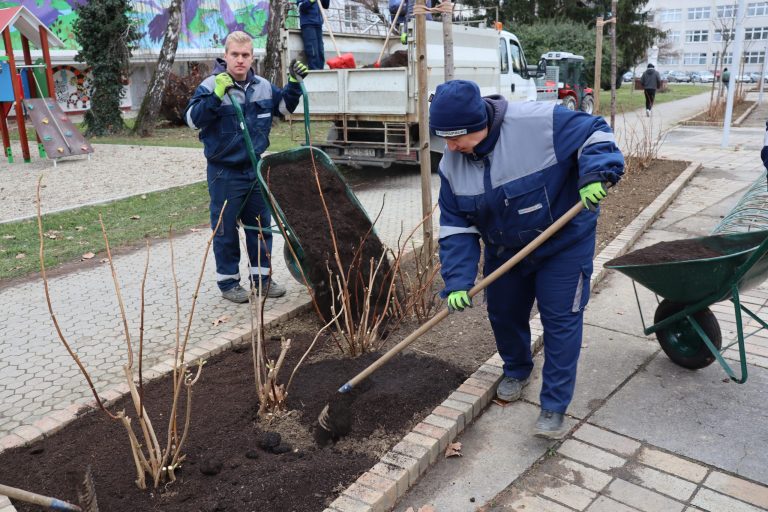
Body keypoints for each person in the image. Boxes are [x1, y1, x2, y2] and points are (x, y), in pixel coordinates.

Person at [429, 80, 624, 439]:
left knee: (560, 321)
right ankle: (517, 369)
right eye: (444, 138)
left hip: (562, 243)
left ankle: (553, 405)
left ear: (480, 125)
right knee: (503, 313)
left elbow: (595, 132)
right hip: (506, 251)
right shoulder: (452, 165)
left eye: (456, 138)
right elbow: (456, 227)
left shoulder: (538, 122)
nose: (449, 147)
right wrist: (457, 280)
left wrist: (596, 172)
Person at [185, 31, 309, 303]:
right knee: (226, 228)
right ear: (225, 55)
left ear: (253, 57)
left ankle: (262, 280)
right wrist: (216, 96)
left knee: (260, 227)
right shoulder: (210, 85)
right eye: (235, 55)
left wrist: (293, 84)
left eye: (245, 55)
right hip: (224, 172)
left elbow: (285, 109)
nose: (240, 60)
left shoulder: (263, 86)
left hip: (255, 170)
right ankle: (229, 283)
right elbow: (193, 121)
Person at [297, 0, 331, 70]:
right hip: (308, 24)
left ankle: (321, 71)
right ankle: (314, 72)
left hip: (318, 23)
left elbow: (325, 5)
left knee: (320, 51)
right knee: (312, 50)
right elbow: (301, 7)